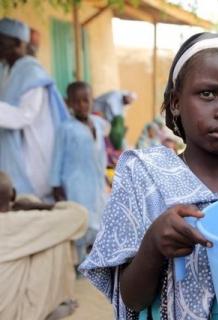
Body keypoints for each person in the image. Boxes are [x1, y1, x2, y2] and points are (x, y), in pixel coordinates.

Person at [79, 32, 218, 320]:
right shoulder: (144, 177)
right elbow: (132, 299)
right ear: (175, 102)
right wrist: (154, 245)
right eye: (208, 93)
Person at [0, 171, 88, 320]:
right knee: (58, 235)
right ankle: (54, 304)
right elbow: (80, 215)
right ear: (13, 195)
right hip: (13, 315)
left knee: (46, 235)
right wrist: (39, 205)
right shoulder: (15, 222)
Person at [0, 18, 69, 201]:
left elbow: (24, 116)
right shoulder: (8, 69)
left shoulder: (31, 72)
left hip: (34, 146)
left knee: (30, 197)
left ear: (17, 43)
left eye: (1, 41)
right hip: (13, 147)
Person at [50, 81, 109, 262]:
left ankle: (93, 261)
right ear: (69, 103)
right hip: (74, 183)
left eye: (86, 100)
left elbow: (101, 153)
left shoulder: (98, 124)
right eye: (77, 102)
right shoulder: (65, 128)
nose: (82, 105)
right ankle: (79, 262)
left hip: (95, 182)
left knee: (98, 219)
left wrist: (106, 177)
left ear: (92, 100)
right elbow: (57, 156)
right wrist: (55, 184)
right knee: (80, 222)